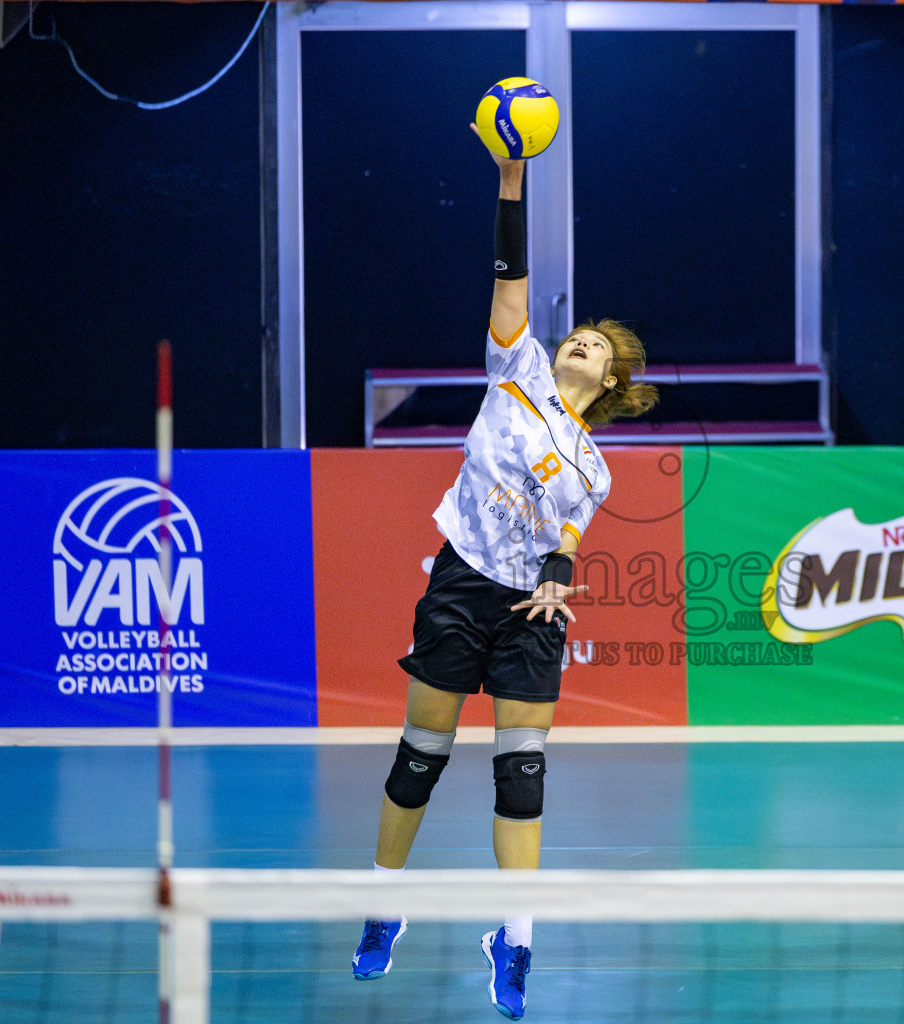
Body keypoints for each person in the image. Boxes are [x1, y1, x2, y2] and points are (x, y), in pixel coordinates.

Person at [349, 124, 657, 1021]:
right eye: (579, 336)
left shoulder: (595, 467)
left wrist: (559, 576)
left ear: (612, 380)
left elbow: (568, 534)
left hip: (532, 610)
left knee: (521, 773)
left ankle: (515, 940)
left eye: (597, 346)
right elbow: (510, 275)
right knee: (421, 756)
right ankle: (383, 908)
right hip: (462, 581)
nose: (581, 343)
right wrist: (512, 179)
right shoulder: (515, 365)